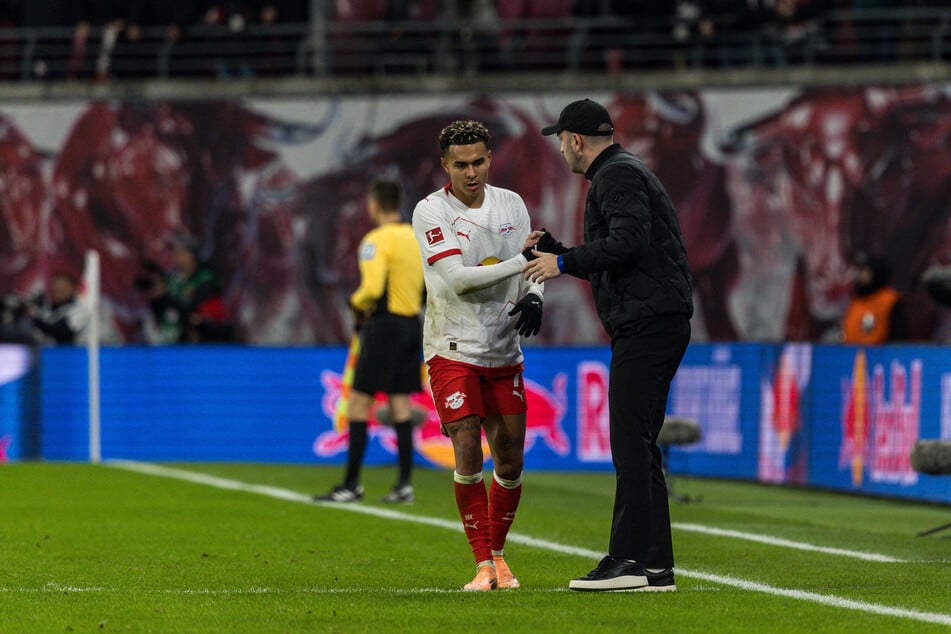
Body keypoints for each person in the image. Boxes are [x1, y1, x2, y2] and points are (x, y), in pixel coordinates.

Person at [522, 98, 693, 592]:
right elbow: (625, 248)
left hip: (648, 324)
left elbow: (629, 243)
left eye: (560, 141)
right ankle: (656, 565)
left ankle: (627, 560)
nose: (560, 150)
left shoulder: (614, 177)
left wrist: (563, 265)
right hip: (657, 319)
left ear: (575, 140)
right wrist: (560, 251)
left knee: (630, 445)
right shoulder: (624, 171)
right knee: (641, 444)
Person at [411, 120, 544, 592]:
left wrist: (535, 296)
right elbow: (457, 279)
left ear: (490, 158)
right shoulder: (430, 212)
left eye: (479, 161)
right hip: (452, 347)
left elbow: (535, 270)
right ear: (445, 165)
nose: (472, 172)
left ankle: (500, 558)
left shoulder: (511, 204)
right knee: (468, 449)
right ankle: (482, 564)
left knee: (509, 464)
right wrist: (522, 262)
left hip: (504, 348)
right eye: (461, 164)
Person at [315, 178, 425, 504]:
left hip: (384, 326)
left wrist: (355, 304)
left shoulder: (375, 240)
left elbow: (373, 289)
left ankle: (351, 484)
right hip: (410, 325)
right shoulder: (414, 238)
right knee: (400, 402)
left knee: (360, 403)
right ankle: (404, 484)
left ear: (374, 205)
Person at [141, 236, 233, 343]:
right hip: (172, 338)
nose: (176, 257)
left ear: (191, 255)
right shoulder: (174, 278)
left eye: (181, 253)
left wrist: (166, 296)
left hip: (204, 339)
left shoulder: (206, 279)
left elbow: (193, 309)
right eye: (175, 253)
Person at [841, 253, 906, 344]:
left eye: (866, 272)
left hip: (880, 355)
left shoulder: (889, 300)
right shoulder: (857, 301)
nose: (862, 276)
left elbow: (898, 336)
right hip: (852, 354)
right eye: (861, 271)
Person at [29, 271, 90, 345]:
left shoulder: (79, 310)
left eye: (62, 289)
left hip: (72, 353)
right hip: (45, 353)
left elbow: (61, 332)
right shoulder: (47, 307)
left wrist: (34, 318)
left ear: (73, 288)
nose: (58, 292)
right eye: (56, 290)